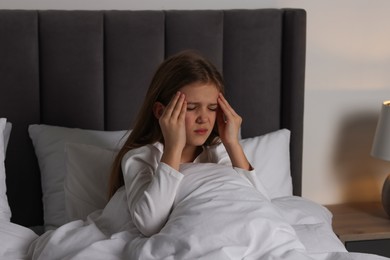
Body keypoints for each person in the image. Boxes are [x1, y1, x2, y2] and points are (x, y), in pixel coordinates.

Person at [108, 50, 260, 237]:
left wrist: (232, 144)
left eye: (212, 108)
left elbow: (258, 206)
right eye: (191, 108)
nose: (203, 118)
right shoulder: (140, 158)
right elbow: (149, 224)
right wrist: (173, 148)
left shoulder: (218, 152)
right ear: (160, 111)